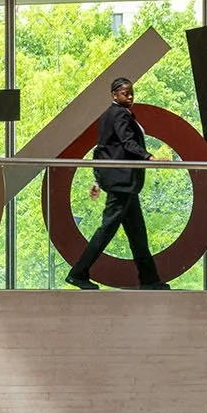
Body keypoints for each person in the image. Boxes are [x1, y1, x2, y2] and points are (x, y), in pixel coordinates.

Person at [66, 77, 167, 289]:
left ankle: (150, 280)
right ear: (114, 95)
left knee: (137, 233)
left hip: (123, 184)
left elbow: (102, 150)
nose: (129, 96)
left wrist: (98, 179)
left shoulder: (109, 115)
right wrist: (149, 157)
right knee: (107, 230)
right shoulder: (119, 114)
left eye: (131, 93)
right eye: (125, 93)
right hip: (122, 183)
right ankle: (78, 273)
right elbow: (127, 142)